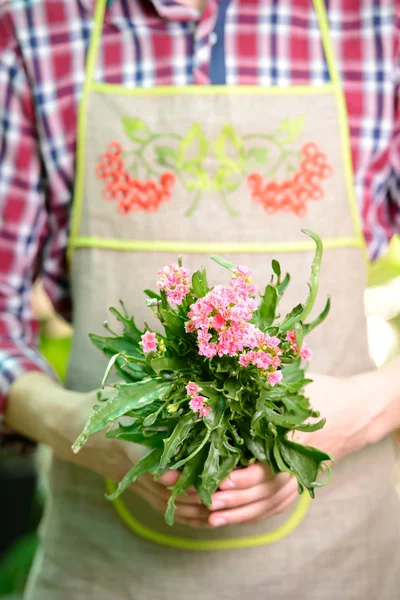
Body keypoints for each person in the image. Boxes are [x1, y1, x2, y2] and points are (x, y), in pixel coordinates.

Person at [1, 0, 400, 597]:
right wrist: (84, 429)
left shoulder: (376, 21)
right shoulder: (35, 24)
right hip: (105, 571)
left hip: (342, 566)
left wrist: (356, 414)